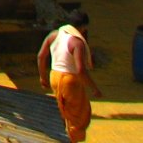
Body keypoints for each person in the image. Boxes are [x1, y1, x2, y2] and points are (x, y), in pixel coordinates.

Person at [38, 11, 101, 142]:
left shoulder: (53, 35)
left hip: (54, 76)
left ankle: (63, 137)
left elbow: (41, 56)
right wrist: (94, 88)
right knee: (79, 116)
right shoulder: (76, 42)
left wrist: (42, 77)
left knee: (64, 110)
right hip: (70, 81)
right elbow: (80, 70)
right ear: (83, 27)